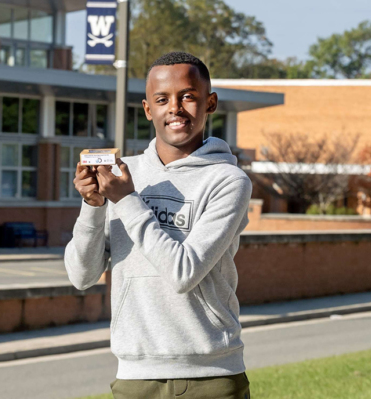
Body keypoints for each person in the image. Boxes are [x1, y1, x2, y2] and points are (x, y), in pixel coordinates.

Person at [64, 51, 252, 399]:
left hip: (212, 377)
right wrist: (93, 206)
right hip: (135, 376)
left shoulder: (228, 180)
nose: (175, 109)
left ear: (210, 103)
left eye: (188, 97)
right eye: (162, 99)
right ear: (148, 109)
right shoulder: (123, 174)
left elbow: (184, 273)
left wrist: (126, 200)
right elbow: (81, 276)